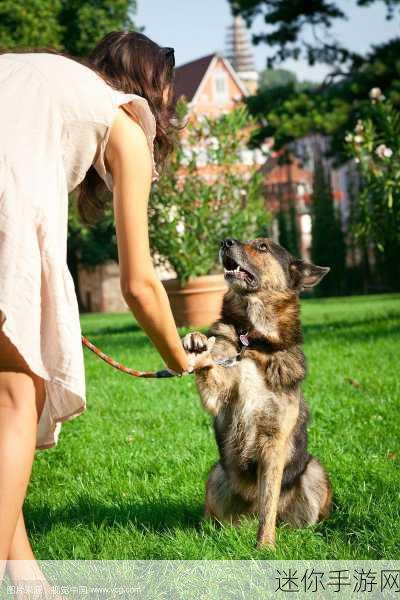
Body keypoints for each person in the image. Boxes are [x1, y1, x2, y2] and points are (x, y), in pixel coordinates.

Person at [0, 31, 212, 579]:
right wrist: (178, 358)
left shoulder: (38, 72)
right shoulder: (124, 120)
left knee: (7, 406)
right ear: (152, 91)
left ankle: (26, 578)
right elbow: (140, 283)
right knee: (15, 394)